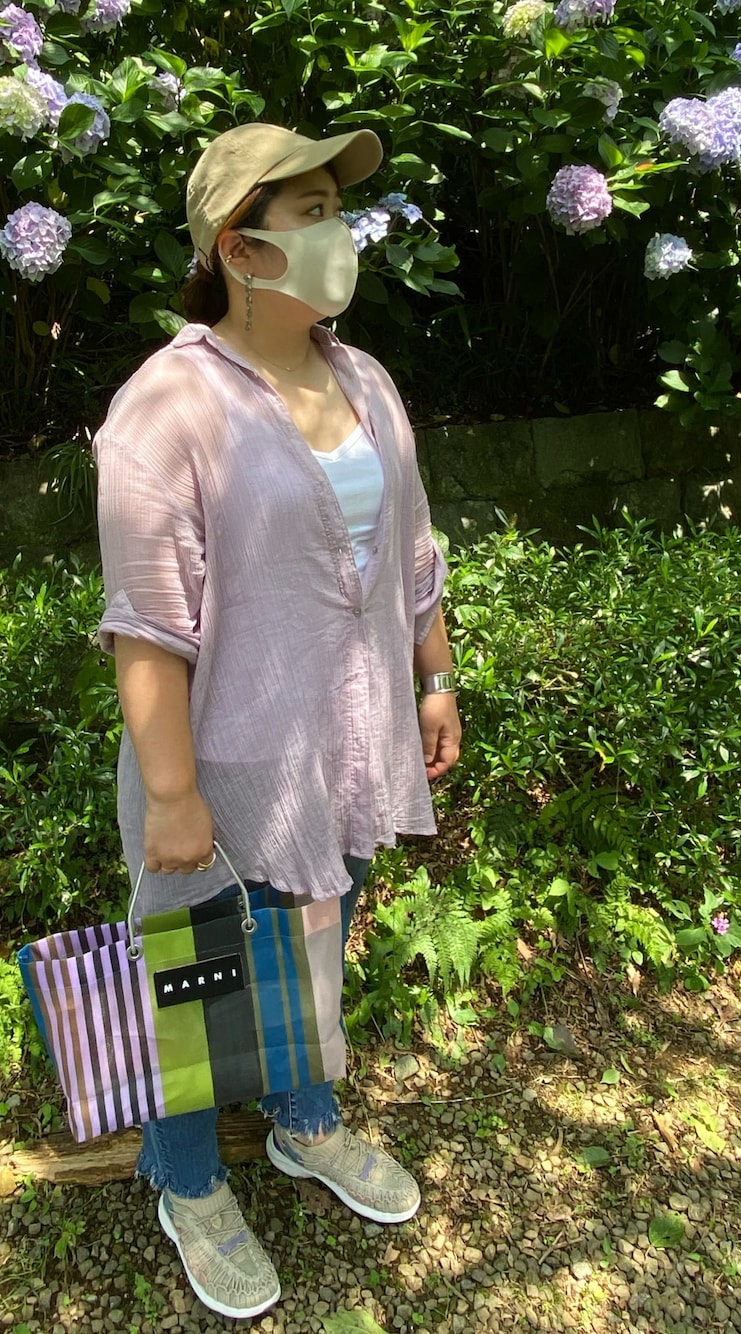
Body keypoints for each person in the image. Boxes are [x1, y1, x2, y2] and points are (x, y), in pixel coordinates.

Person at [93, 121, 462, 1320]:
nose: (335, 230)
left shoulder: (365, 380)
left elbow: (412, 548)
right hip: (223, 760)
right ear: (238, 247)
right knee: (199, 978)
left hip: (343, 741)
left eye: (332, 206)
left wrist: (434, 678)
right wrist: (172, 792)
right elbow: (146, 624)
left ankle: (304, 1117)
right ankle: (188, 1178)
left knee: (314, 937)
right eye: (307, 211)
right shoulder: (167, 405)